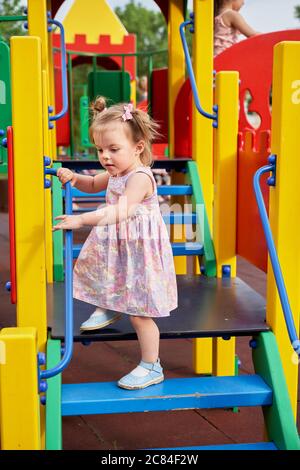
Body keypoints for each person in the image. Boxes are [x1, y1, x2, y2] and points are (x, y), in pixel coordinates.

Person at [53, 97, 178, 390]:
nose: (105, 157)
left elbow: (122, 209)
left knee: (139, 312)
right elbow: (92, 184)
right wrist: (73, 178)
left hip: (140, 248)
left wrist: (82, 220)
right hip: (120, 244)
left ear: (138, 148)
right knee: (104, 273)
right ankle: (111, 304)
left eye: (113, 149)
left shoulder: (139, 177)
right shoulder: (115, 172)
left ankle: (151, 366)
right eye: (100, 150)